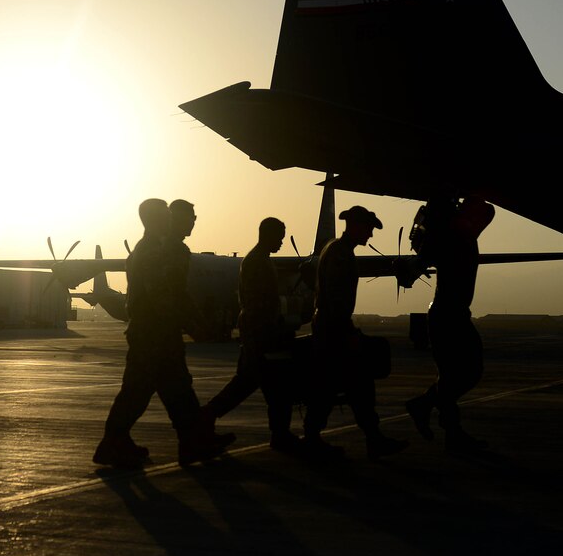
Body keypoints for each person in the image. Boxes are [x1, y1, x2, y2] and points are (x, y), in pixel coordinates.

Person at [93, 198, 235, 469]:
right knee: (145, 392)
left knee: (172, 389)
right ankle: (116, 443)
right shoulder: (154, 253)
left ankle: (187, 443)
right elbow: (165, 295)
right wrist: (193, 325)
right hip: (154, 334)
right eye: (166, 216)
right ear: (157, 219)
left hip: (154, 332)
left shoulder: (145, 249)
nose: (171, 220)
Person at [302, 205, 406, 460]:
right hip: (333, 330)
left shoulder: (337, 250)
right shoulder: (340, 254)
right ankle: (368, 439)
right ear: (357, 226)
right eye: (368, 229)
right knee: (350, 386)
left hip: (330, 328)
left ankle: (367, 438)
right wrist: (347, 333)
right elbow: (335, 299)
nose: (370, 235)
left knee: (340, 387)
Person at [198, 216, 300, 452]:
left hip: (259, 332)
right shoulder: (257, 262)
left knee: (257, 385)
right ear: (268, 234)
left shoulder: (258, 260)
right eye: (279, 237)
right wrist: (266, 334)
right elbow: (257, 302)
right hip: (260, 333)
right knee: (267, 387)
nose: (282, 243)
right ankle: (209, 415)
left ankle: (209, 415)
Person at [406, 197, 494, 455]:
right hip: (447, 315)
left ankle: (426, 407)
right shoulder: (445, 236)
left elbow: (488, 211)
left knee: (460, 373)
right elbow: (415, 268)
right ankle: (450, 431)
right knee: (464, 372)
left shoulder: (461, 232)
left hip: (453, 314)